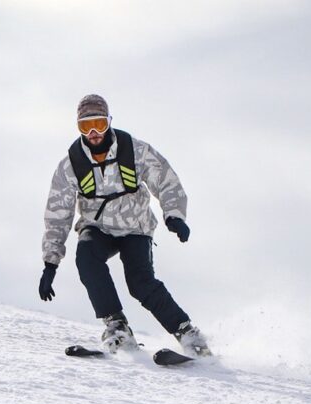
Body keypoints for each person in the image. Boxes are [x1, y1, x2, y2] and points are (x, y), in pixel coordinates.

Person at [39, 94, 210, 356]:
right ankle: (117, 327)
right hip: (98, 227)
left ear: (109, 122)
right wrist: (51, 262)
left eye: (99, 124)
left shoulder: (134, 150)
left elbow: (166, 179)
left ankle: (188, 334)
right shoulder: (71, 165)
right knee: (86, 257)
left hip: (135, 226)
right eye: (86, 126)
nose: (94, 133)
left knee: (140, 282)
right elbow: (58, 212)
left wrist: (174, 215)